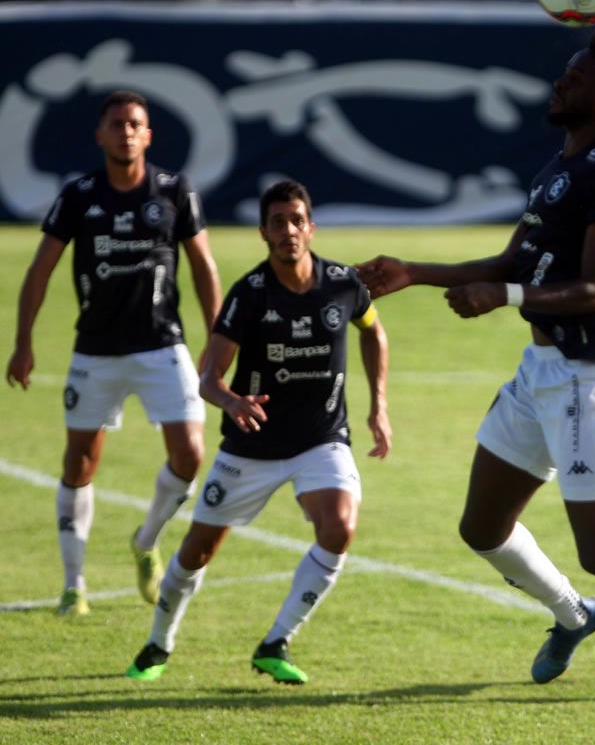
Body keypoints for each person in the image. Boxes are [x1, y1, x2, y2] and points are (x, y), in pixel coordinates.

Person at [355, 29, 595, 684]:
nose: (562, 81)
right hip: (540, 372)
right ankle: (574, 616)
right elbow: (514, 260)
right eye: (566, 71)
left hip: (588, 376)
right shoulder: (559, 167)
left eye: (577, 75)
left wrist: (503, 295)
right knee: (482, 528)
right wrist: (415, 273)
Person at [125, 179, 391, 684]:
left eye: (296, 220)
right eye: (277, 222)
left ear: (310, 227)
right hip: (250, 448)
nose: (288, 230)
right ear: (264, 233)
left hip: (321, 439)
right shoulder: (248, 295)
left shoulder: (343, 283)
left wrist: (379, 406)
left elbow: (373, 331)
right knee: (196, 553)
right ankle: (159, 642)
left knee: (339, 526)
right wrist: (231, 400)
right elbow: (208, 378)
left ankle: (277, 641)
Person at [5, 90, 221, 616]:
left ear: (148, 135)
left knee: (191, 456)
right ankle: (74, 585)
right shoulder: (79, 194)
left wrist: (217, 343)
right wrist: (23, 340)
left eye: (135, 124)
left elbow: (203, 268)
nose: (126, 131)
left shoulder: (175, 190)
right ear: (100, 135)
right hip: (96, 351)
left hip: (162, 343)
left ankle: (146, 541)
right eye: (117, 123)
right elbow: (41, 268)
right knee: (80, 462)